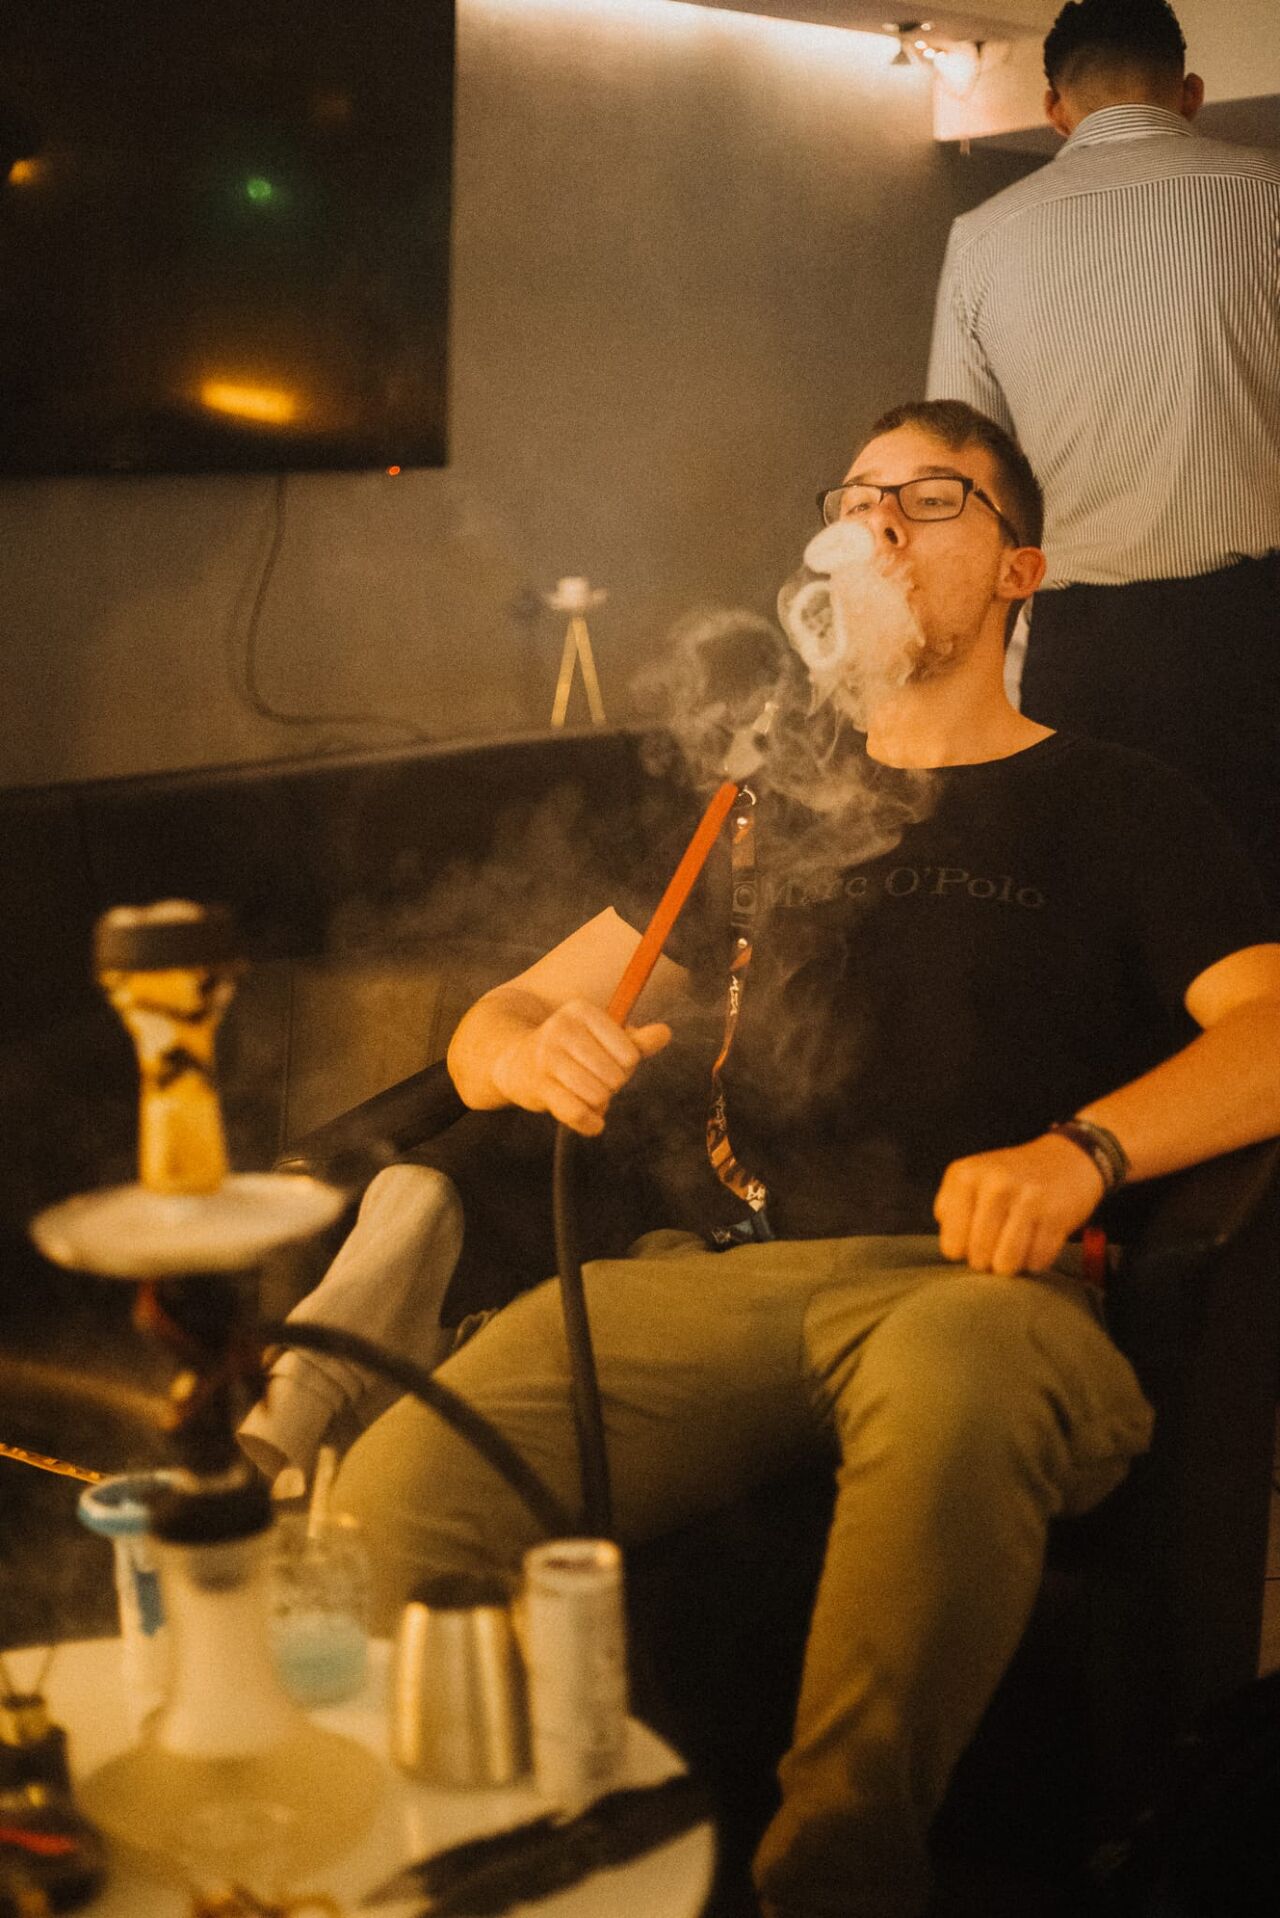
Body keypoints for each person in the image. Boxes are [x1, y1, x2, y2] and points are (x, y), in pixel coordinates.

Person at [328, 395, 1280, 1918]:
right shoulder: (757, 809)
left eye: (933, 498)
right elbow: (494, 1022)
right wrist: (526, 1054)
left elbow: (1272, 1028)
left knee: (954, 1372)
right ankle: (479, 1860)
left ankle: (834, 1881)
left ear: (1022, 571)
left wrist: (1084, 1151)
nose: (879, 521)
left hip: (986, 1289)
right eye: (856, 496)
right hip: (724, 1283)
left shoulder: (1119, 802)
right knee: (393, 1497)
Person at [926, 0, 1280, 900]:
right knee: (1258, 911)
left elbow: (957, 474)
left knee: (1092, 915)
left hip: (1080, 649)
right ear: (1190, 93)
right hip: (1253, 633)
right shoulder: (1268, 193)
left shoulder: (981, 237)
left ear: (1054, 108)